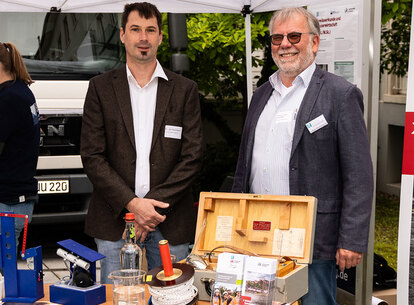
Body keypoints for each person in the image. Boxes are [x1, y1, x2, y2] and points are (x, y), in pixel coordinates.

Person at [231, 7, 373, 304]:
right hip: (258, 234)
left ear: (315, 43)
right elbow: (245, 165)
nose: (285, 44)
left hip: (312, 236)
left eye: (294, 36)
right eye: (277, 38)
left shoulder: (340, 94)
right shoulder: (261, 95)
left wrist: (351, 239)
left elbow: (358, 174)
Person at [80, 2, 203, 283]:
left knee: (173, 297)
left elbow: (193, 156)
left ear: (161, 37)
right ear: (123, 35)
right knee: (118, 298)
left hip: (169, 221)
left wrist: (150, 209)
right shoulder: (100, 88)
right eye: (135, 29)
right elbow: (92, 155)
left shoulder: (185, 90)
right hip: (115, 221)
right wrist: (133, 205)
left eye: (150, 30)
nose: (143, 38)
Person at [0, 42, 40, 254]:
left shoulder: (8, 99)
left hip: (7, 203)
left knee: (2, 278)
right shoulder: (20, 90)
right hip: (16, 201)